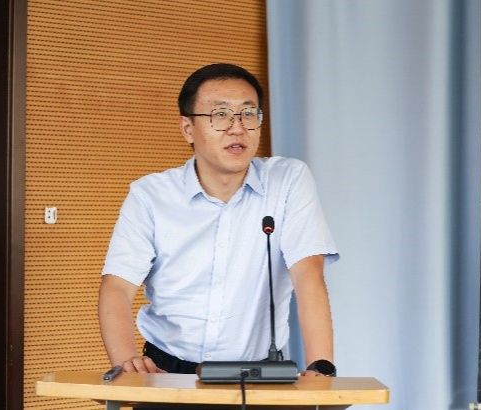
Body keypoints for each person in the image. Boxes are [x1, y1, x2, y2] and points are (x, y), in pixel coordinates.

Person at [98, 63, 339, 377]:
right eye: (221, 114)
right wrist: (126, 362)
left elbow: (308, 274)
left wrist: (321, 366)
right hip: (166, 372)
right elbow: (117, 286)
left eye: (248, 114)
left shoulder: (288, 180)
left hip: (260, 374)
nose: (237, 128)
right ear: (188, 128)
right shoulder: (150, 196)